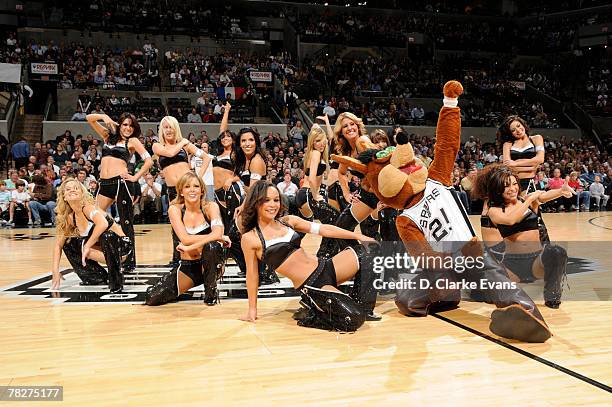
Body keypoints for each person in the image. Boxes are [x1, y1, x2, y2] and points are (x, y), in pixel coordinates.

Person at [235, 181, 379, 331]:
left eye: (276, 200)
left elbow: (324, 229)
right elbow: (252, 275)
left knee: (372, 249)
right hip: (313, 284)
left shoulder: (288, 221)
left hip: (328, 266)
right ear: (256, 202)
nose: (273, 205)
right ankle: (312, 311)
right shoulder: (250, 238)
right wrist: (252, 310)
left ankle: (362, 306)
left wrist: (359, 236)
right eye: (266, 200)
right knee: (354, 319)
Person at [478, 165, 575, 308]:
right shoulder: (494, 211)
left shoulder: (525, 200)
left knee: (557, 252)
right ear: (498, 189)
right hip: (512, 266)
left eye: (514, 184)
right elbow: (511, 220)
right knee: (489, 284)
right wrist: (530, 200)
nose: (512, 188)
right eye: (506, 186)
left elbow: (543, 196)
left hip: (536, 261)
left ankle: (552, 296)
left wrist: (561, 191)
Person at [145, 173, 227, 306]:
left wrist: (190, 247)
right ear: (181, 192)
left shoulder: (211, 207)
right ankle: (195, 283)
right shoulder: (175, 209)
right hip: (188, 267)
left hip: (210, 264)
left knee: (212, 247)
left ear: (202, 190)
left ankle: (210, 293)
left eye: (196, 186)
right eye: (187, 187)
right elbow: (185, 238)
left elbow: (214, 234)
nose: (192, 190)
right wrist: (218, 237)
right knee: (152, 297)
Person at [86, 112, 153, 272]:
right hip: (104, 183)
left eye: (131, 125)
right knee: (95, 215)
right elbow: (89, 118)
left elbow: (148, 160)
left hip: (121, 182)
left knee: (126, 221)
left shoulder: (133, 141)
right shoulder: (107, 136)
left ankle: (129, 261)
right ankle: (109, 248)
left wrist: (135, 177)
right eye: (125, 124)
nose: (128, 128)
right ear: (119, 124)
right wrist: (105, 117)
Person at [51, 179, 133, 293]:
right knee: (68, 243)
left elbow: (103, 224)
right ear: (64, 197)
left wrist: (87, 246)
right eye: (68, 189)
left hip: (122, 249)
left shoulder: (88, 208)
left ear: (82, 193)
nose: (72, 190)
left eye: (76, 188)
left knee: (106, 235)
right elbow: (58, 245)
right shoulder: (70, 218)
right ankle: (95, 277)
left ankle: (116, 282)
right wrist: (55, 270)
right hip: (102, 250)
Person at [153, 115, 210, 267]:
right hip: (173, 190)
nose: (169, 130)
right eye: (165, 127)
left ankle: (203, 251)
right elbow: (170, 154)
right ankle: (178, 257)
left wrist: (198, 178)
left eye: (171, 126)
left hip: (190, 188)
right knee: (176, 225)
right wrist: (184, 142)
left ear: (176, 128)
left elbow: (206, 158)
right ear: (162, 130)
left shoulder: (185, 145)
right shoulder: (157, 146)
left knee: (198, 219)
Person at [295, 123, 339, 226]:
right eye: (317, 141)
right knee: (334, 219)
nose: (321, 143)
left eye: (322, 140)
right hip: (308, 194)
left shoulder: (317, 154)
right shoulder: (316, 153)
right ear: (312, 143)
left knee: (302, 230)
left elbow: (330, 138)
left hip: (303, 196)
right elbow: (311, 179)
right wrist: (315, 196)